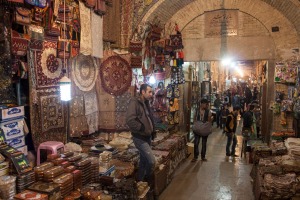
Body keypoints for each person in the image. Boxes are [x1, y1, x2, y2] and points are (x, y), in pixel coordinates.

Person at [126, 84, 156, 184]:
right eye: (149, 92)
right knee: (151, 160)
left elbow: (149, 117)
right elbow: (130, 120)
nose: (151, 94)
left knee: (143, 160)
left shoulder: (146, 102)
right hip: (139, 137)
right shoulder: (134, 102)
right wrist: (142, 127)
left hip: (147, 137)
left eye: (152, 92)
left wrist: (153, 130)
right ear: (143, 92)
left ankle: (140, 181)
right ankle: (149, 180)